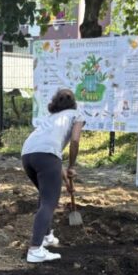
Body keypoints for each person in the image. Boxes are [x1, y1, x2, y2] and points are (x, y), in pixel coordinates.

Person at [20, 88, 85, 263]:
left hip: (27, 155)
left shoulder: (51, 119)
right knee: (50, 202)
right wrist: (72, 166)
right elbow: (75, 141)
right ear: (74, 103)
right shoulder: (76, 115)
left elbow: (50, 152)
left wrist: (64, 175)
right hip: (46, 156)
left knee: (44, 195)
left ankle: (47, 236)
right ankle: (35, 250)